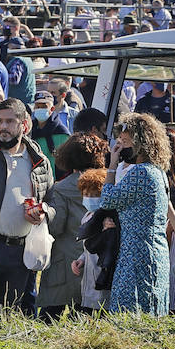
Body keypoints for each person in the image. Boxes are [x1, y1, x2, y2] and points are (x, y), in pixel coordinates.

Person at [0, 100, 55, 314]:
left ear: (24, 125)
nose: (3, 127)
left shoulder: (39, 161)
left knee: (12, 314)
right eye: (0, 121)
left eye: (10, 121)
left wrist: (43, 213)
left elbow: (52, 202)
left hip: (22, 251)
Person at [100, 113, 172, 315]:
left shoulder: (141, 172)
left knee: (129, 315)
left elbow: (107, 200)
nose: (119, 147)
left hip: (137, 255)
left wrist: (112, 165)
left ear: (141, 144)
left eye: (125, 142)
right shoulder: (157, 171)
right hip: (151, 252)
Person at [40, 132, 108, 317]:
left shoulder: (60, 188)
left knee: (50, 317)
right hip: (97, 259)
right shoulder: (107, 183)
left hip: (65, 262)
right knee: (87, 317)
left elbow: (56, 226)